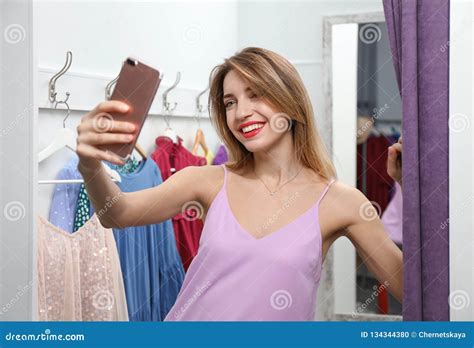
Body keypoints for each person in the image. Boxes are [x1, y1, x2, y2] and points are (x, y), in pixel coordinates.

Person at [76, 47, 403, 321]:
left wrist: (410, 191)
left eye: (255, 95)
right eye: (230, 102)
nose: (241, 112)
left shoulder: (341, 202)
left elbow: (411, 288)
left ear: (289, 101)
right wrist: (89, 162)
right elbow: (116, 213)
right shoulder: (205, 180)